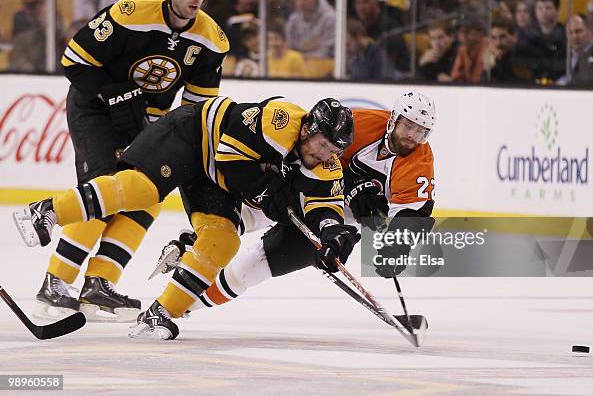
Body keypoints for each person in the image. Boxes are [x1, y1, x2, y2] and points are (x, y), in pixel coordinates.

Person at [14, 97, 357, 340]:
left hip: (214, 180)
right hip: (191, 136)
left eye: (334, 150)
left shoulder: (326, 165)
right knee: (140, 190)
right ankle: (47, 210)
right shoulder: (280, 121)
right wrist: (266, 193)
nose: (325, 154)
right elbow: (229, 155)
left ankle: (160, 313)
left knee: (223, 241)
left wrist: (331, 235)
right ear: (309, 127)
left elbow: (323, 206)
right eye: (323, 144)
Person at [21, 0, 228, 323]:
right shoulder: (132, 11)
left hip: (146, 122)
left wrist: (179, 144)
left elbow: (197, 109)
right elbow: (74, 61)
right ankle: (56, 282)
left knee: (145, 195)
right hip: (94, 108)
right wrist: (116, 93)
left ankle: (99, 283)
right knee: (103, 188)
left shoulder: (210, 40)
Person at [153, 91, 436, 316]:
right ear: (393, 119)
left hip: (339, 221)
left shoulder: (420, 162)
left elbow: (414, 213)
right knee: (255, 212)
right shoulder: (360, 123)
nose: (412, 136)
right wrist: (351, 186)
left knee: (258, 265)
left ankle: (185, 305)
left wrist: (396, 248)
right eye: (408, 125)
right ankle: (195, 242)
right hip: (314, 192)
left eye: (421, 131)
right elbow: (320, 156)